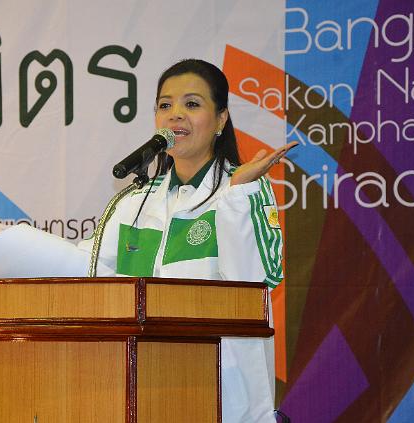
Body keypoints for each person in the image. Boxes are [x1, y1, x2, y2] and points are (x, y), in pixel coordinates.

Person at [79, 59, 297, 422]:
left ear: (221, 119)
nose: (175, 114)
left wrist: (236, 196)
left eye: (192, 104)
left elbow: (254, 285)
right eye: (165, 105)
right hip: (141, 391)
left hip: (223, 396)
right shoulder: (132, 202)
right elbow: (87, 277)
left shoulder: (243, 190)